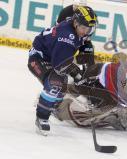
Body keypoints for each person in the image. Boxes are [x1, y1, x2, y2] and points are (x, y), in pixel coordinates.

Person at [28, 6, 98, 136]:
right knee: (56, 81)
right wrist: (79, 76)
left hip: (55, 57)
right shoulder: (66, 37)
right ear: (76, 23)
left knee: (65, 83)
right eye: (84, 28)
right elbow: (60, 66)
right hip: (38, 59)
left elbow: (83, 49)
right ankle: (42, 117)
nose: (86, 32)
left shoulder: (78, 28)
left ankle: (53, 104)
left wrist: (89, 74)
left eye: (89, 29)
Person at [57, 0, 95, 73]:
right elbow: (57, 28)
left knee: (89, 49)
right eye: (76, 7)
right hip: (67, 37)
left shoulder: (88, 14)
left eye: (81, 8)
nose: (78, 9)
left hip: (81, 36)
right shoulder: (65, 12)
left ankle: (91, 71)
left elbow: (90, 30)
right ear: (73, 5)